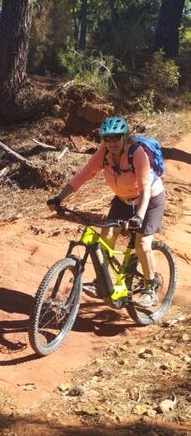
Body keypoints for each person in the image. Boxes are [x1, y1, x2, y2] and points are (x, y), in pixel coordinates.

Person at [47, 116, 166, 307]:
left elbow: (145, 188)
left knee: (142, 243)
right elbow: (83, 176)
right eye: (107, 138)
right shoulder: (103, 154)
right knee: (106, 238)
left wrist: (139, 216)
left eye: (116, 137)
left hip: (150, 199)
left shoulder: (137, 153)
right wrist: (59, 198)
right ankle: (101, 283)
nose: (111, 142)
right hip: (122, 200)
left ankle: (150, 288)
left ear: (124, 137)